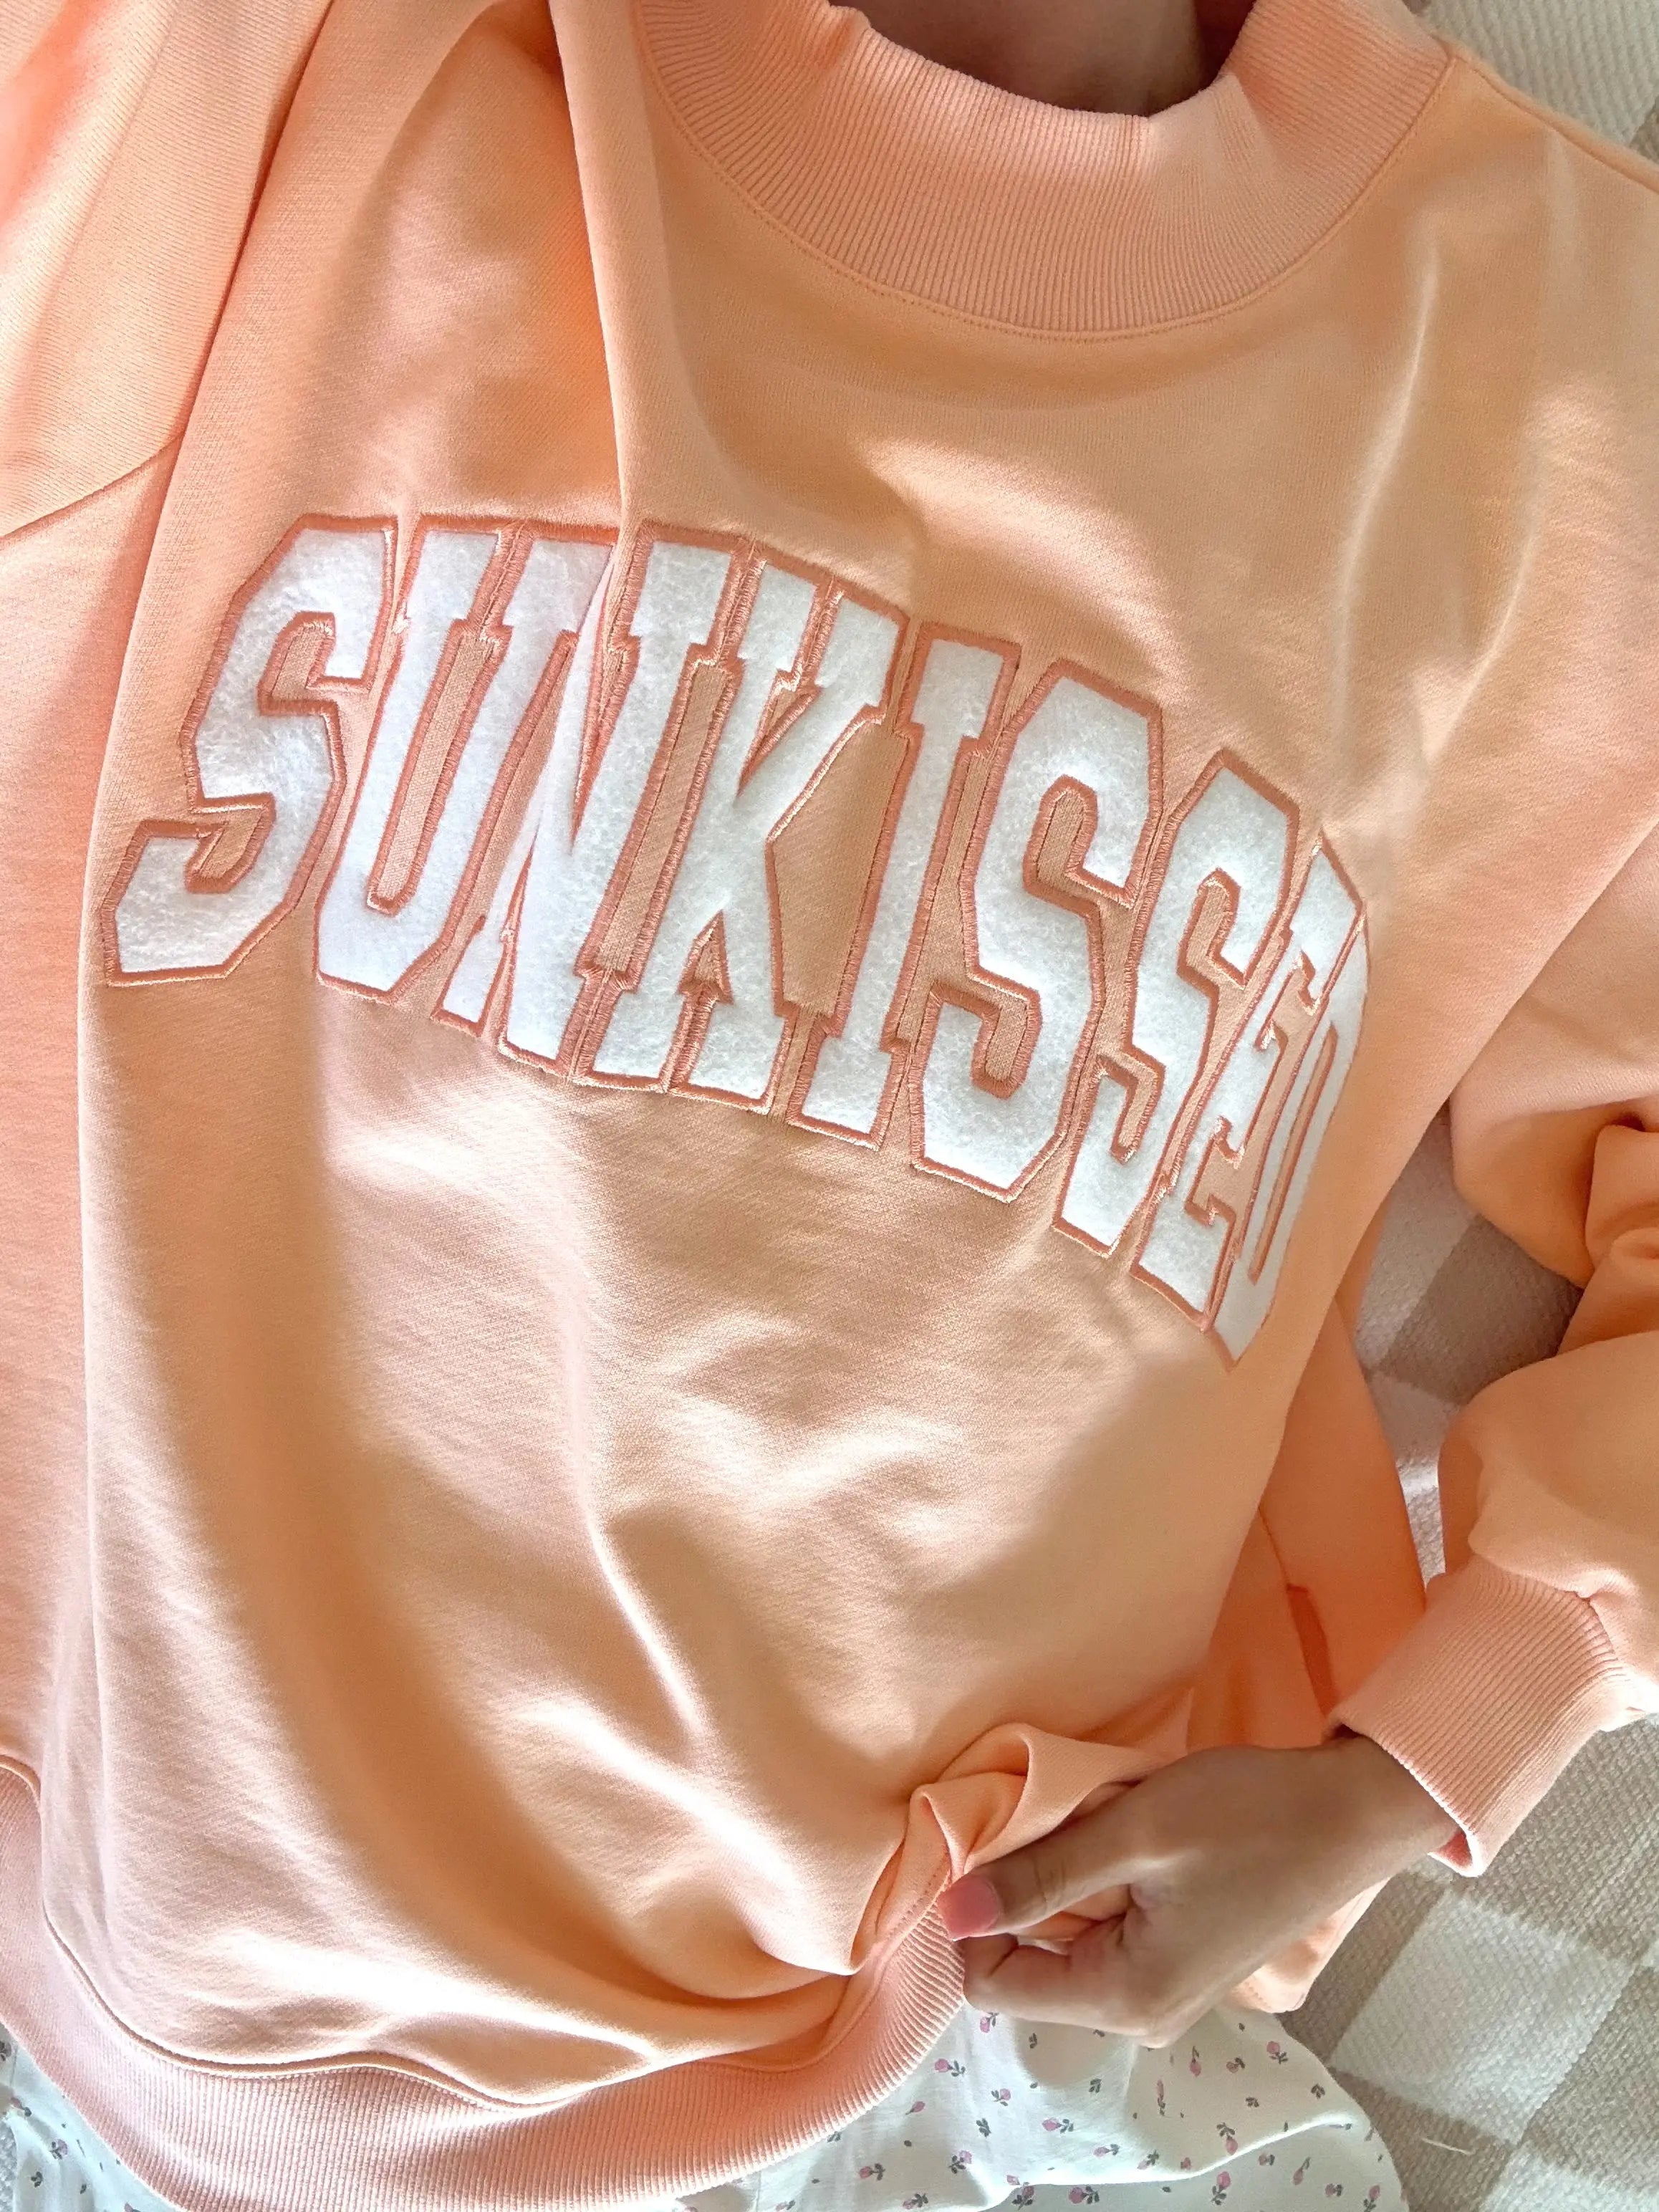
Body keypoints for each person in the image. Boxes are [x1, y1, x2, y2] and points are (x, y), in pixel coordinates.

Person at [1, 0, 1655, 2209]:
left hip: (924, 2035)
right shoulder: (315, 69)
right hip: (86, 1897)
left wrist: (1422, 1762)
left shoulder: (1570, 374)